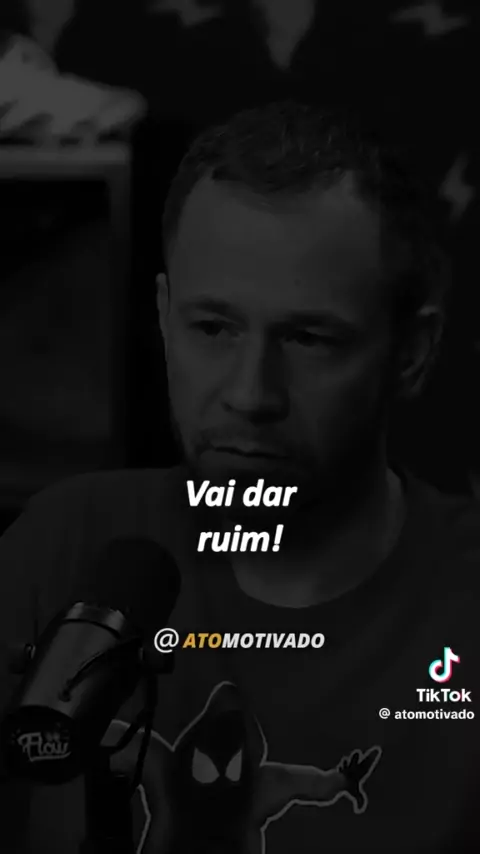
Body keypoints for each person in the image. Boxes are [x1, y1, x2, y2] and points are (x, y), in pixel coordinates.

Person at [0, 100, 478, 854]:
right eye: (213, 328)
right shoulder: (61, 547)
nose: (251, 394)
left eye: (309, 338)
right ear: (163, 318)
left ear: (411, 354)